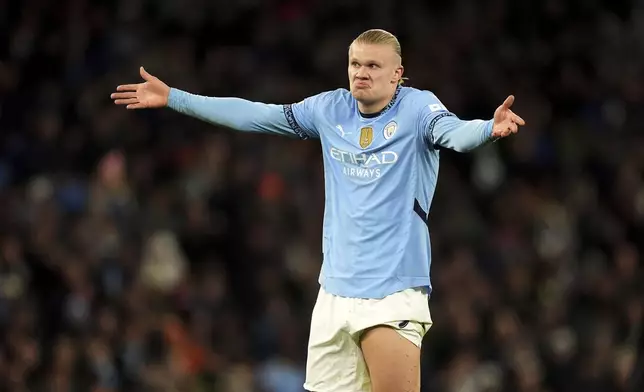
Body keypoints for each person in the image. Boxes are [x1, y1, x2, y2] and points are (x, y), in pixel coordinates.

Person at [111, 29, 525, 392]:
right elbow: (258, 115)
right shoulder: (330, 110)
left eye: (374, 66)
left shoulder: (418, 110)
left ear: (398, 74)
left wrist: (488, 129)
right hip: (333, 296)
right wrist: (174, 98)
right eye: (355, 63)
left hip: (391, 293)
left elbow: (454, 133)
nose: (361, 72)